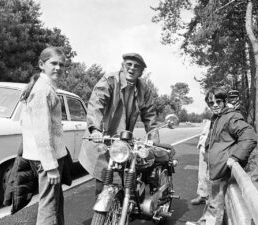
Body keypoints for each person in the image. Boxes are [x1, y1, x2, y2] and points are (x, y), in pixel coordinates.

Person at [78, 53, 159, 195]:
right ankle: (102, 214)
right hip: (103, 138)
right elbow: (96, 104)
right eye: (129, 64)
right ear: (122, 66)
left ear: (141, 72)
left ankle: (126, 208)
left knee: (133, 172)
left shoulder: (143, 88)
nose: (132, 69)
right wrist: (95, 129)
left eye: (137, 66)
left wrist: (154, 141)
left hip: (123, 138)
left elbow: (150, 116)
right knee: (104, 178)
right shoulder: (109, 80)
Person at [186, 87, 257, 225]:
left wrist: (236, 157)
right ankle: (203, 222)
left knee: (215, 204)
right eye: (211, 103)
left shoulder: (231, 117)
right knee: (211, 201)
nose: (215, 105)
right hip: (214, 167)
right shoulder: (217, 117)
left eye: (218, 101)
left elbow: (249, 136)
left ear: (224, 101)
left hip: (221, 168)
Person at [20, 46, 67, 225]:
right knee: (49, 208)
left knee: (56, 202)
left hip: (47, 157)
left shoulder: (43, 86)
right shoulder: (42, 89)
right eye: (53, 63)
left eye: (61, 65)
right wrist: (50, 165)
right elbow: (41, 130)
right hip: (47, 159)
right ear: (42, 64)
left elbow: (24, 122)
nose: (58, 68)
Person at [190, 119, 210, 205]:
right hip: (204, 147)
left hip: (215, 148)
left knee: (212, 174)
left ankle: (210, 199)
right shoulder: (212, 118)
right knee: (202, 174)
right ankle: (202, 195)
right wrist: (201, 145)